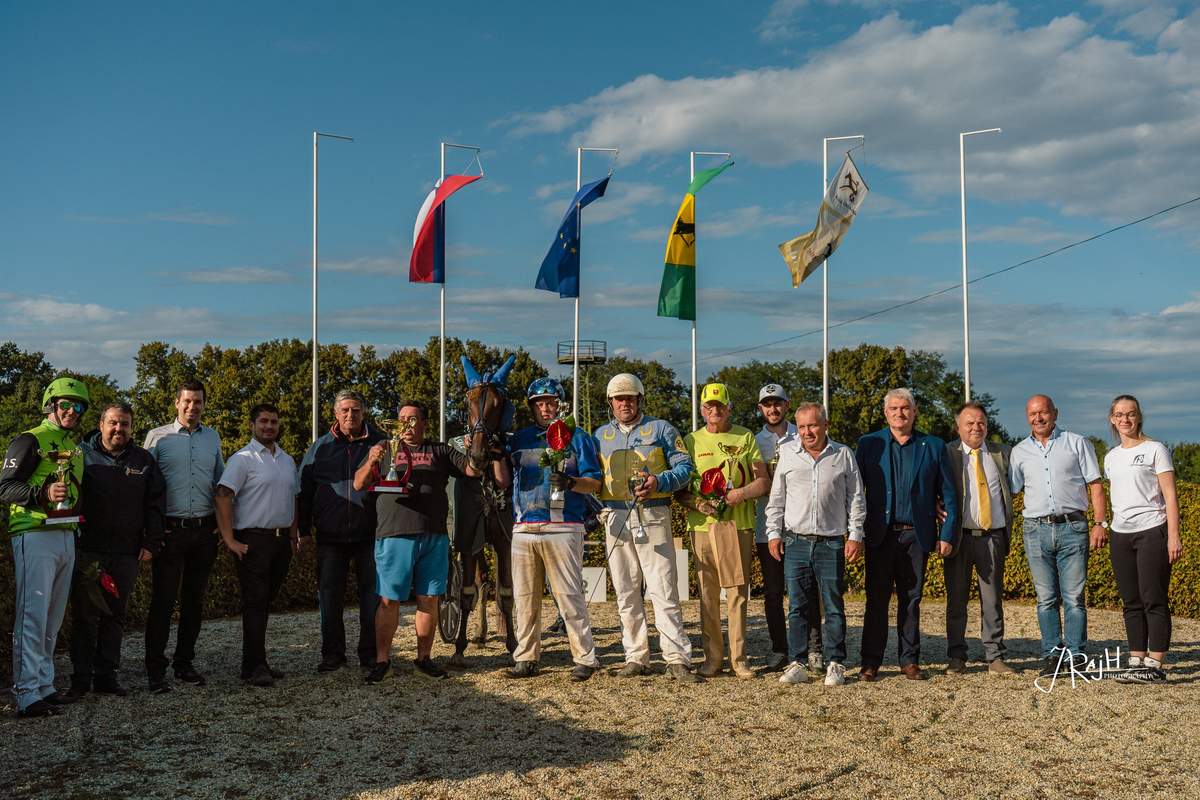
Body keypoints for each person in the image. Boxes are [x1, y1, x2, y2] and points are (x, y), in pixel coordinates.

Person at [354, 400, 490, 683]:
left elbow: (473, 470)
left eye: (413, 419)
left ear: (425, 423)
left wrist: (475, 447)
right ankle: (382, 661)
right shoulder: (382, 448)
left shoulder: (438, 450)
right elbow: (358, 484)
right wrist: (371, 460)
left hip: (434, 536)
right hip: (394, 534)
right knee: (389, 601)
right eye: (401, 418)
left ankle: (424, 658)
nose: (406, 424)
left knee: (429, 600)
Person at [593, 373, 699, 683]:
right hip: (615, 517)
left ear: (640, 399)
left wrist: (659, 481)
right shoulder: (599, 436)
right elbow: (589, 476)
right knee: (626, 591)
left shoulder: (662, 429)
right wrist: (597, 511)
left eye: (630, 398)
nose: (624, 403)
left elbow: (685, 467)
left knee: (662, 588)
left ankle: (676, 657)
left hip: (653, 514)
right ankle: (636, 656)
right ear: (611, 402)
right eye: (618, 399)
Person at [1, 377, 90, 718]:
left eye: (78, 406)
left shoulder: (75, 447)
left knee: (53, 618)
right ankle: (25, 693)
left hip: (65, 532)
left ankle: (44, 684)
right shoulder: (30, 439)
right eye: (65, 404)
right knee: (33, 615)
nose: (71, 411)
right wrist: (40, 495)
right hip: (33, 532)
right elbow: (5, 488)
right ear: (51, 405)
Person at [856, 388, 958, 681]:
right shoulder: (869, 444)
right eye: (894, 409)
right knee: (875, 600)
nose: (900, 413)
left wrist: (947, 534)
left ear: (914, 412)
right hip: (880, 534)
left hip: (917, 535)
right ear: (885, 413)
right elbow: (854, 492)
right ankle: (870, 661)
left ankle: (909, 660)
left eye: (905, 408)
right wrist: (854, 532)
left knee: (911, 600)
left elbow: (948, 495)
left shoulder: (933, 446)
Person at [506, 377, 603, 681]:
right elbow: (503, 476)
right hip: (524, 526)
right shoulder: (519, 439)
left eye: (550, 402)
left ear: (560, 404)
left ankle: (585, 658)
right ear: (532, 407)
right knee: (525, 597)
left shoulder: (579, 437)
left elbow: (594, 482)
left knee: (569, 594)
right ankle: (525, 657)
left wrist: (572, 483)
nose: (545, 408)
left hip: (564, 526)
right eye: (539, 403)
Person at [69, 402, 166, 699]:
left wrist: (152, 542)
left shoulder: (144, 460)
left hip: (127, 552)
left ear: (131, 427)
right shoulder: (80, 456)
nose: (118, 429)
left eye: (124, 424)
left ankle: (106, 676)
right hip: (89, 551)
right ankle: (80, 679)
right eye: (113, 423)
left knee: (115, 615)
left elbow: (156, 505)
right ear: (100, 425)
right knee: (85, 616)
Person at [764, 402, 864, 687]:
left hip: (831, 542)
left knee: (833, 605)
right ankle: (798, 661)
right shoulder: (788, 454)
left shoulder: (843, 454)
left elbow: (855, 498)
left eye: (813, 425)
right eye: (803, 426)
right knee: (797, 605)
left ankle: (836, 662)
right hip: (795, 541)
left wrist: (855, 534)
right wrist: (774, 533)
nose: (808, 432)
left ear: (826, 425)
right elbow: (777, 499)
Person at [1010, 394, 1107, 675]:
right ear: (1027, 417)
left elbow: (1096, 485)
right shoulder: (1019, 452)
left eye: (1043, 412)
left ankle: (1076, 654)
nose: (1037, 418)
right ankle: (1052, 654)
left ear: (1055, 413)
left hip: (1073, 527)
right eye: (1032, 414)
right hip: (1035, 529)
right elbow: (1011, 490)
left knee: (1074, 597)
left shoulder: (1077, 443)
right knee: (1045, 598)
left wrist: (1100, 523)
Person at [680, 383, 770, 679]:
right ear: (702, 409)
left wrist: (739, 494)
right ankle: (712, 658)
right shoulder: (691, 440)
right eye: (708, 406)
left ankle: (740, 659)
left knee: (737, 594)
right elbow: (680, 491)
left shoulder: (745, 437)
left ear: (729, 407)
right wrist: (699, 503)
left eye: (720, 406)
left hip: (736, 525)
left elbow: (762, 481)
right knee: (707, 595)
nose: (714, 411)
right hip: (703, 527)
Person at [143, 379, 224, 693]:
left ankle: (184, 663)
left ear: (204, 404)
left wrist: (222, 524)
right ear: (177, 403)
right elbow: (146, 489)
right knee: (162, 602)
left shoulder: (213, 438)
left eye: (198, 402)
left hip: (204, 533)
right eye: (187, 402)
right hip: (170, 533)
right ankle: (155, 669)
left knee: (194, 602)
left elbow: (220, 482)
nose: (192, 407)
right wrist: (150, 529)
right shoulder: (157, 438)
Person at [297, 389, 385, 673]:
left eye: (356, 410)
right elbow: (304, 491)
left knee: (371, 598)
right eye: (345, 410)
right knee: (329, 598)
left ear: (364, 413)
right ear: (335, 414)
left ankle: (369, 654)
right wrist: (303, 530)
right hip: (330, 537)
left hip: (369, 535)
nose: (351, 415)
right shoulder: (320, 447)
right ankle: (333, 654)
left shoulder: (382, 443)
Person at [215, 403, 301, 687]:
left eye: (274, 421)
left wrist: (292, 534)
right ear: (252, 425)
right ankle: (257, 665)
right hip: (252, 540)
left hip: (280, 542)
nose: (269, 426)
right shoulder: (243, 458)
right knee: (255, 603)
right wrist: (229, 539)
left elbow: (293, 498)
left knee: (264, 603)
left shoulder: (287, 460)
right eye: (263, 421)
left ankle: (250, 663)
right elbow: (223, 494)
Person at [1103, 395, 1183, 684]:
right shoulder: (1110, 457)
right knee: (1131, 600)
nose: (1125, 419)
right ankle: (1136, 658)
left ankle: (1156, 662)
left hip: (1152, 531)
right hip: (1120, 534)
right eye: (1119, 414)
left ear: (1139, 417)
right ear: (1112, 419)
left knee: (1154, 598)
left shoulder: (1155, 450)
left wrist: (1173, 536)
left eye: (1131, 414)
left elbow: (1170, 496)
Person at [943, 401, 1017, 676]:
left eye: (981, 422)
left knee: (992, 599)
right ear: (958, 426)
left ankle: (995, 656)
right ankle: (957, 656)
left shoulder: (1003, 453)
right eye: (970, 423)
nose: (976, 427)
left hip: (992, 538)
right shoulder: (948, 453)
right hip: (959, 538)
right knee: (956, 600)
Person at [754, 383, 821, 673]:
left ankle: (814, 648)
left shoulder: (804, 433)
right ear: (761, 409)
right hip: (766, 527)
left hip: (800, 526)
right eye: (767, 404)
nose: (773, 409)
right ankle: (780, 648)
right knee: (773, 592)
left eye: (777, 403)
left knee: (807, 590)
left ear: (786, 405)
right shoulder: (753, 441)